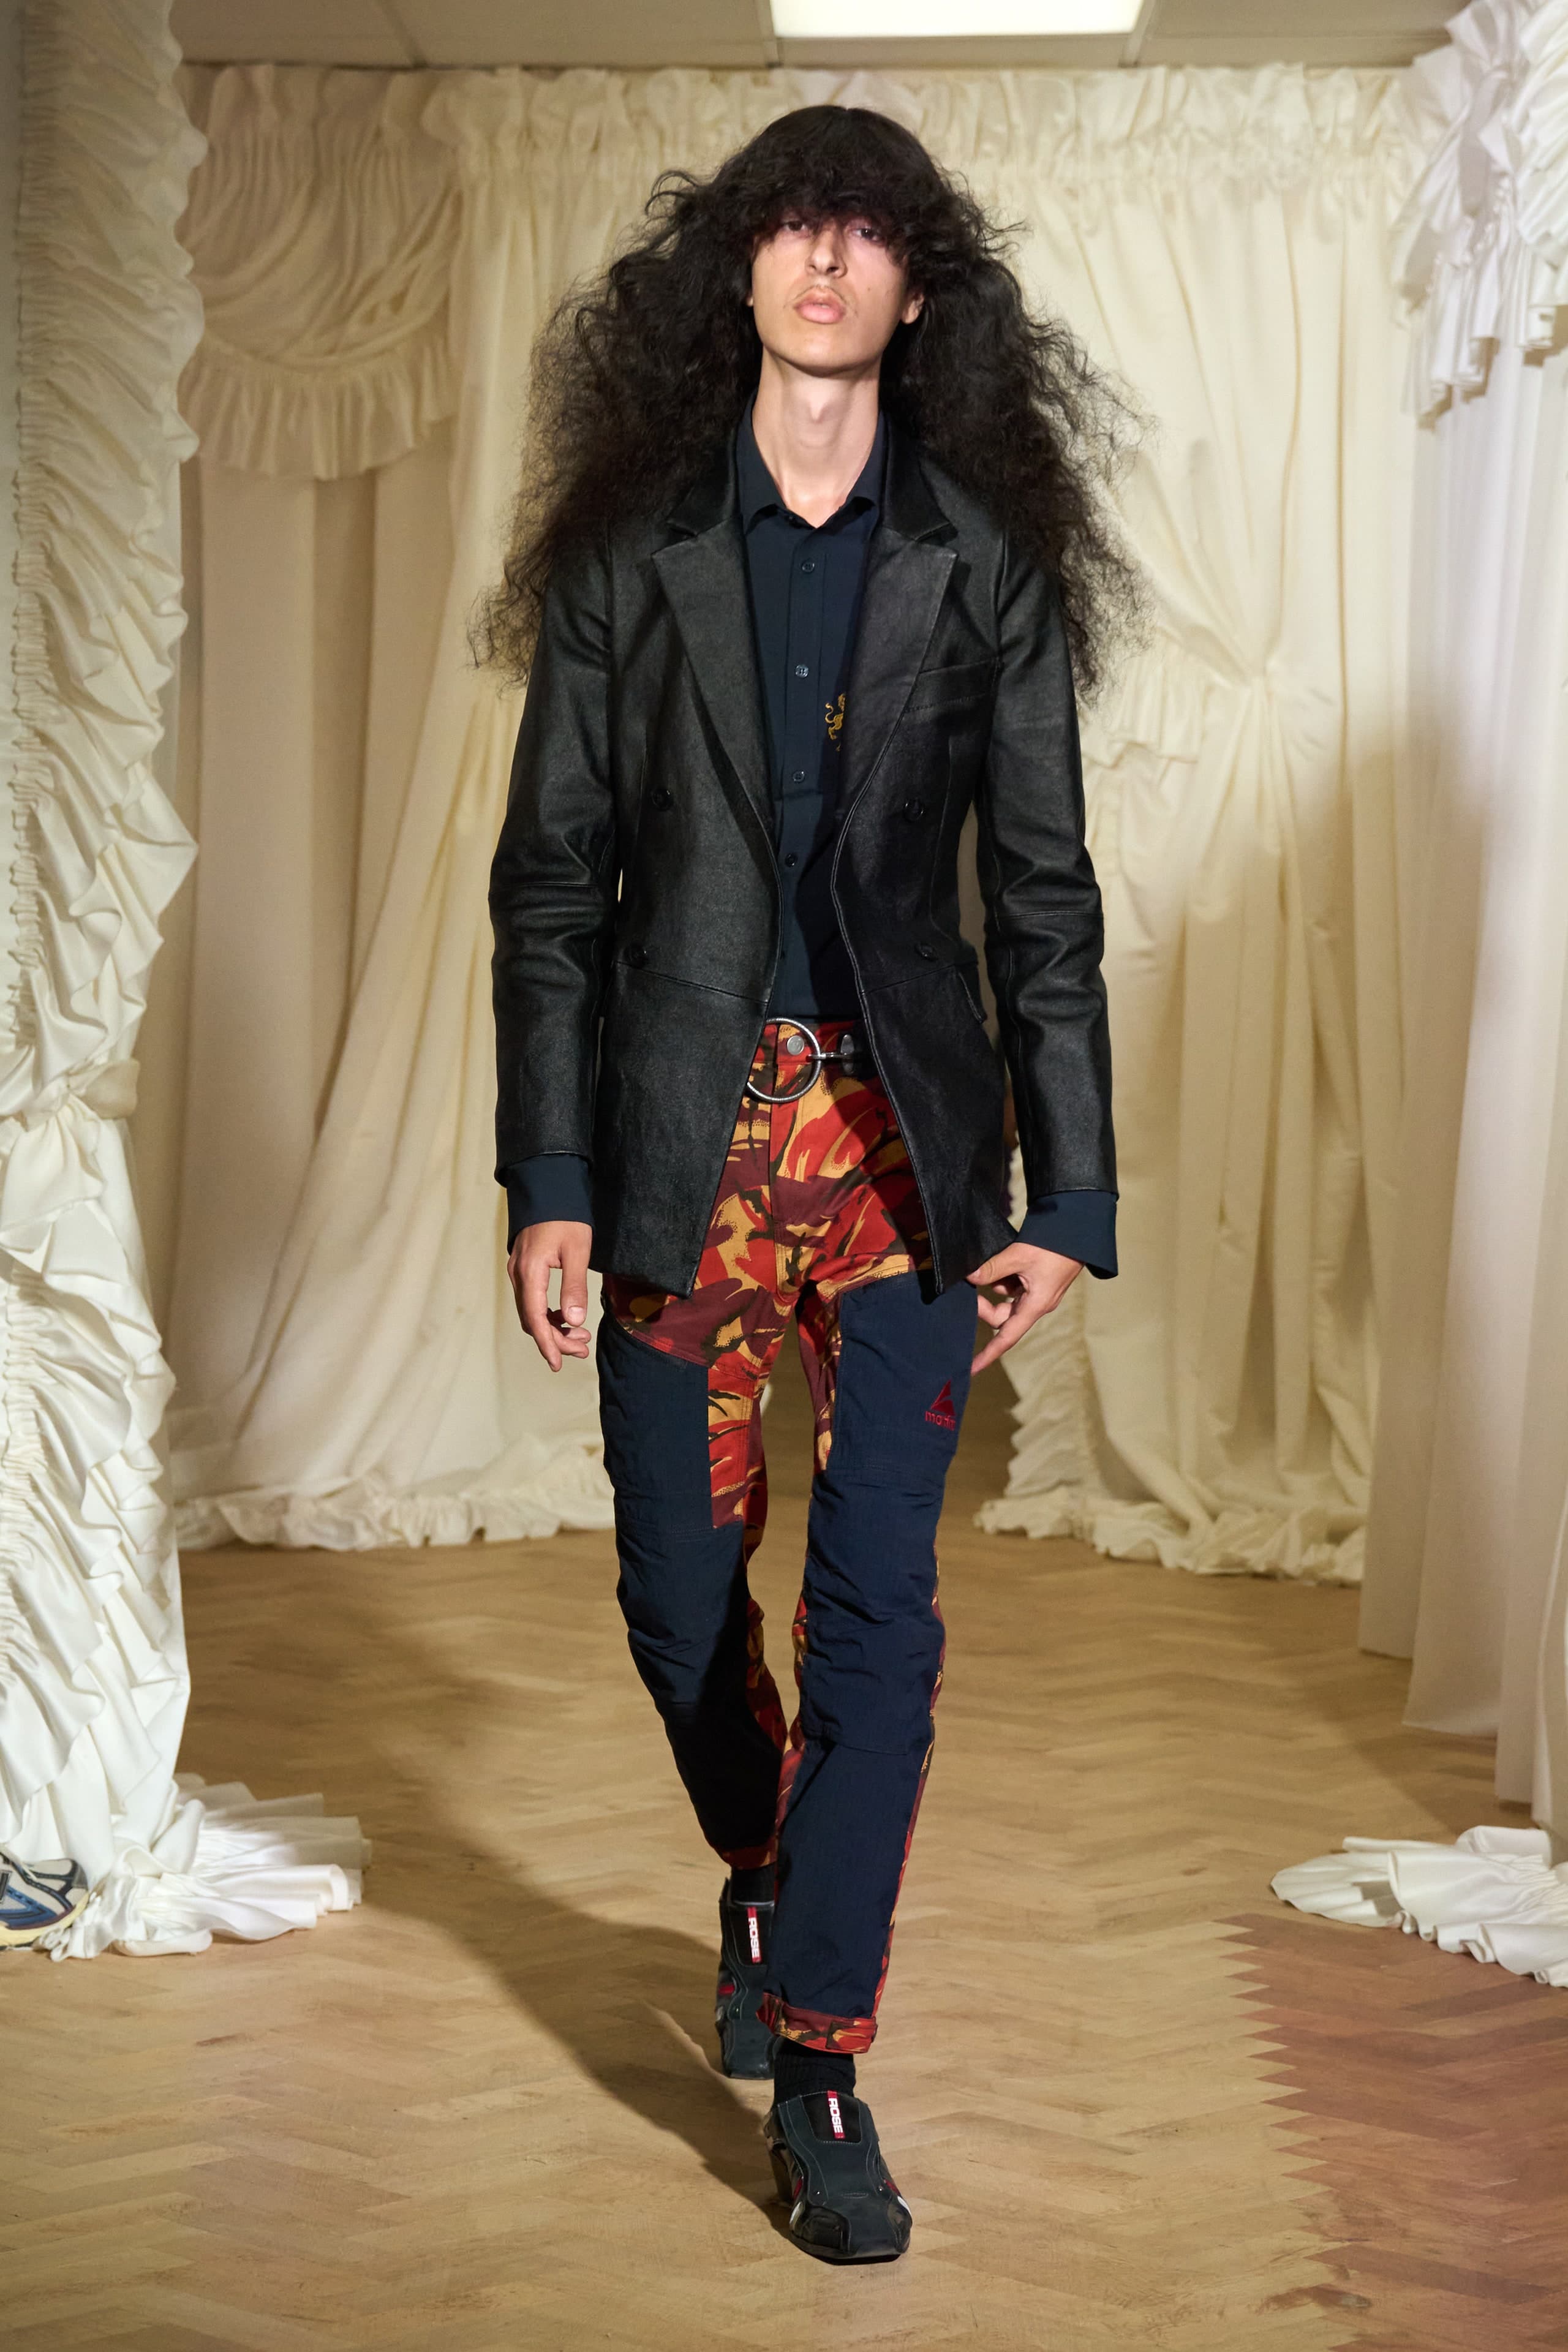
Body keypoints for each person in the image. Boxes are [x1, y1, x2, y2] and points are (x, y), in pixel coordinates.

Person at [483, 104, 1136, 2266]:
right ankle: (765, 1871)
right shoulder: (631, 552)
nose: (827, 259)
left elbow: (1042, 895)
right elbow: (551, 892)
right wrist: (551, 1174)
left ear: (918, 288)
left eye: (866, 231)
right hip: (679, 1147)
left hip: (905, 1165)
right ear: (739, 272)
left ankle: (828, 2067)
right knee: (680, 1605)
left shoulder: (983, 559)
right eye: (792, 225)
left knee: (882, 1618)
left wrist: (1069, 1195)